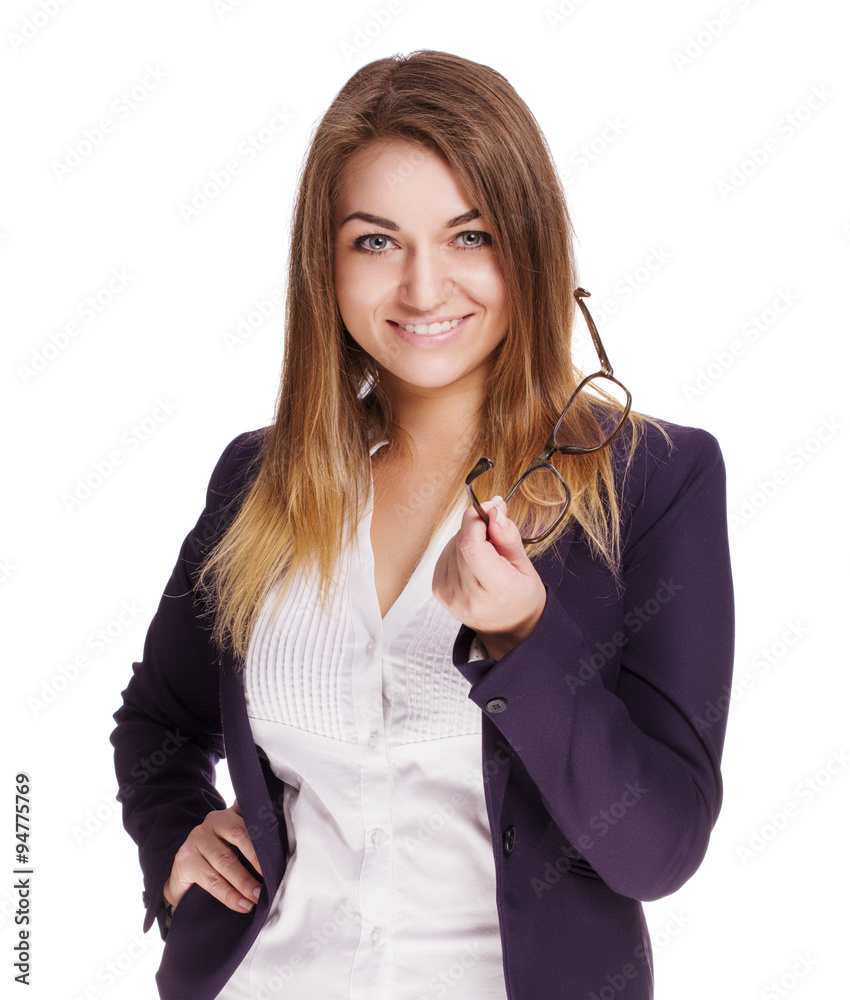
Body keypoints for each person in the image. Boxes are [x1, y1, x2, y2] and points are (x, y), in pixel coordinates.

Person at [110, 49, 735, 1000]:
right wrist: (174, 842)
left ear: (529, 245)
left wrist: (523, 638)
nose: (423, 287)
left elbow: (658, 850)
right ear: (325, 264)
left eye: (469, 235)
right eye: (376, 241)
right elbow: (158, 719)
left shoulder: (654, 481)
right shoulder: (258, 482)